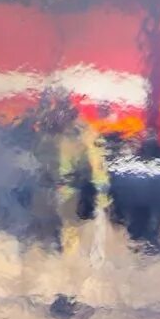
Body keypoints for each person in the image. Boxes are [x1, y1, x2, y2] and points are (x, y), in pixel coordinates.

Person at [26, 90, 110, 257]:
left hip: (65, 195)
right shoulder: (48, 134)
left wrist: (100, 199)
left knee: (64, 242)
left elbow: (96, 170)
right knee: (48, 242)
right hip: (51, 194)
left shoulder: (79, 134)